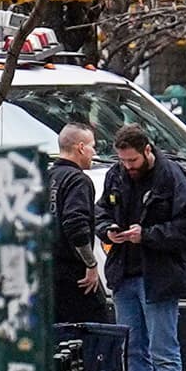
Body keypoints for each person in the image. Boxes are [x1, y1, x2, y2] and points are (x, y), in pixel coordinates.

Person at [95, 125, 186, 371]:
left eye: (133, 161)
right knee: (133, 348)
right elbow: (101, 211)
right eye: (123, 161)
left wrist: (149, 236)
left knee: (163, 350)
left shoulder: (172, 177)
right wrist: (108, 230)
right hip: (125, 271)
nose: (128, 167)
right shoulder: (115, 175)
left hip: (159, 275)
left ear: (147, 151)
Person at [49, 122, 109, 324]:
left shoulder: (45, 176)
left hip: (46, 272)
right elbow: (75, 224)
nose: (94, 152)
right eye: (93, 146)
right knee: (96, 331)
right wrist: (91, 264)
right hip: (74, 275)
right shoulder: (78, 180)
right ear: (81, 147)